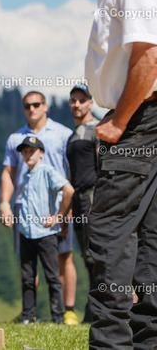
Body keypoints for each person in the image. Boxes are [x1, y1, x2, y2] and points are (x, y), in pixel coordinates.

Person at [77, 0, 157, 347]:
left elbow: (149, 55)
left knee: (109, 234)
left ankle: (110, 343)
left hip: (140, 117)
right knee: (149, 239)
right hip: (149, 116)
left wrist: (119, 120)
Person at [0, 90, 77, 324]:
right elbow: (8, 172)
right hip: (24, 206)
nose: (31, 109)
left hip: (55, 206)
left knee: (63, 259)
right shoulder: (15, 139)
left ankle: (67, 311)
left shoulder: (63, 134)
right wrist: (5, 203)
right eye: (27, 106)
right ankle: (28, 313)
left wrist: (67, 210)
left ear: (45, 106)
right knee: (27, 266)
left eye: (36, 104)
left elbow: (71, 172)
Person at [16, 136, 74, 325]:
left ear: (41, 153)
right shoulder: (26, 175)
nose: (28, 154)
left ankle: (58, 317)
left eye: (32, 150)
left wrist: (59, 216)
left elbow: (68, 190)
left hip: (46, 233)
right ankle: (27, 316)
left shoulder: (47, 171)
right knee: (27, 277)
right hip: (26, 232)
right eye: (25, 151)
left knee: (52, 276)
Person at [66, 84, 99, 323]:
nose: (76, 104)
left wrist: (100, 200)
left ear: (91, 103)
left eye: (81, 100)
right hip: (76, 201)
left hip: (93, 197)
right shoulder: (72, 135)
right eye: (73, 100)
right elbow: (71, 173)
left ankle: (102, 309)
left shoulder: (97, 129)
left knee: (99, 254)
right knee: (87, 257)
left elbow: (103, 165)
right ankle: (93, 308)